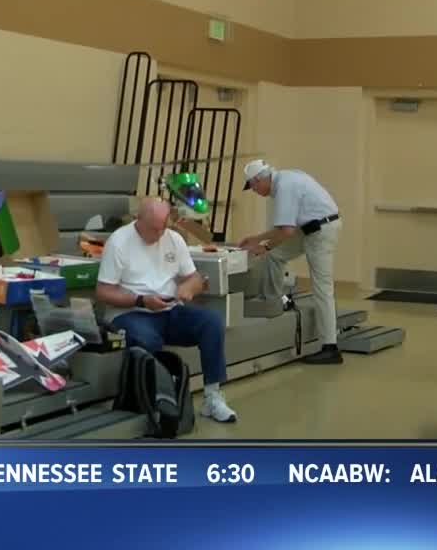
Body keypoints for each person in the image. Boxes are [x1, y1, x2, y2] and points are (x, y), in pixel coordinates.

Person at [95, 198, 238, 423]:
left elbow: (195, 278)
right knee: (146, 338)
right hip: (132, 312)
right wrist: (141, 300)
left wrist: (188, 287)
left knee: (211, 321)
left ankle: (212, 396)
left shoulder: (173, 239)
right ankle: (157, 399)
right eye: (154, 228)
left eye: (164, 227)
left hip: (169, 309)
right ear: (138, 220)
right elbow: (103, 292)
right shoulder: (119, 242)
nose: (160, 233)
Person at [236, 159, 343, 365]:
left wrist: (263, 246)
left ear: (259, 179)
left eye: (253, 186)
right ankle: (272, 302)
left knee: (322, 287)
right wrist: (257, 239)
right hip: (311, 228)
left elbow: (286, 231)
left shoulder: (284, 186)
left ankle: (330, 347)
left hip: (321, 231)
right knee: (275, 255)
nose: (255, 191)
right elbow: (285, 229)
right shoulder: (286, 179)